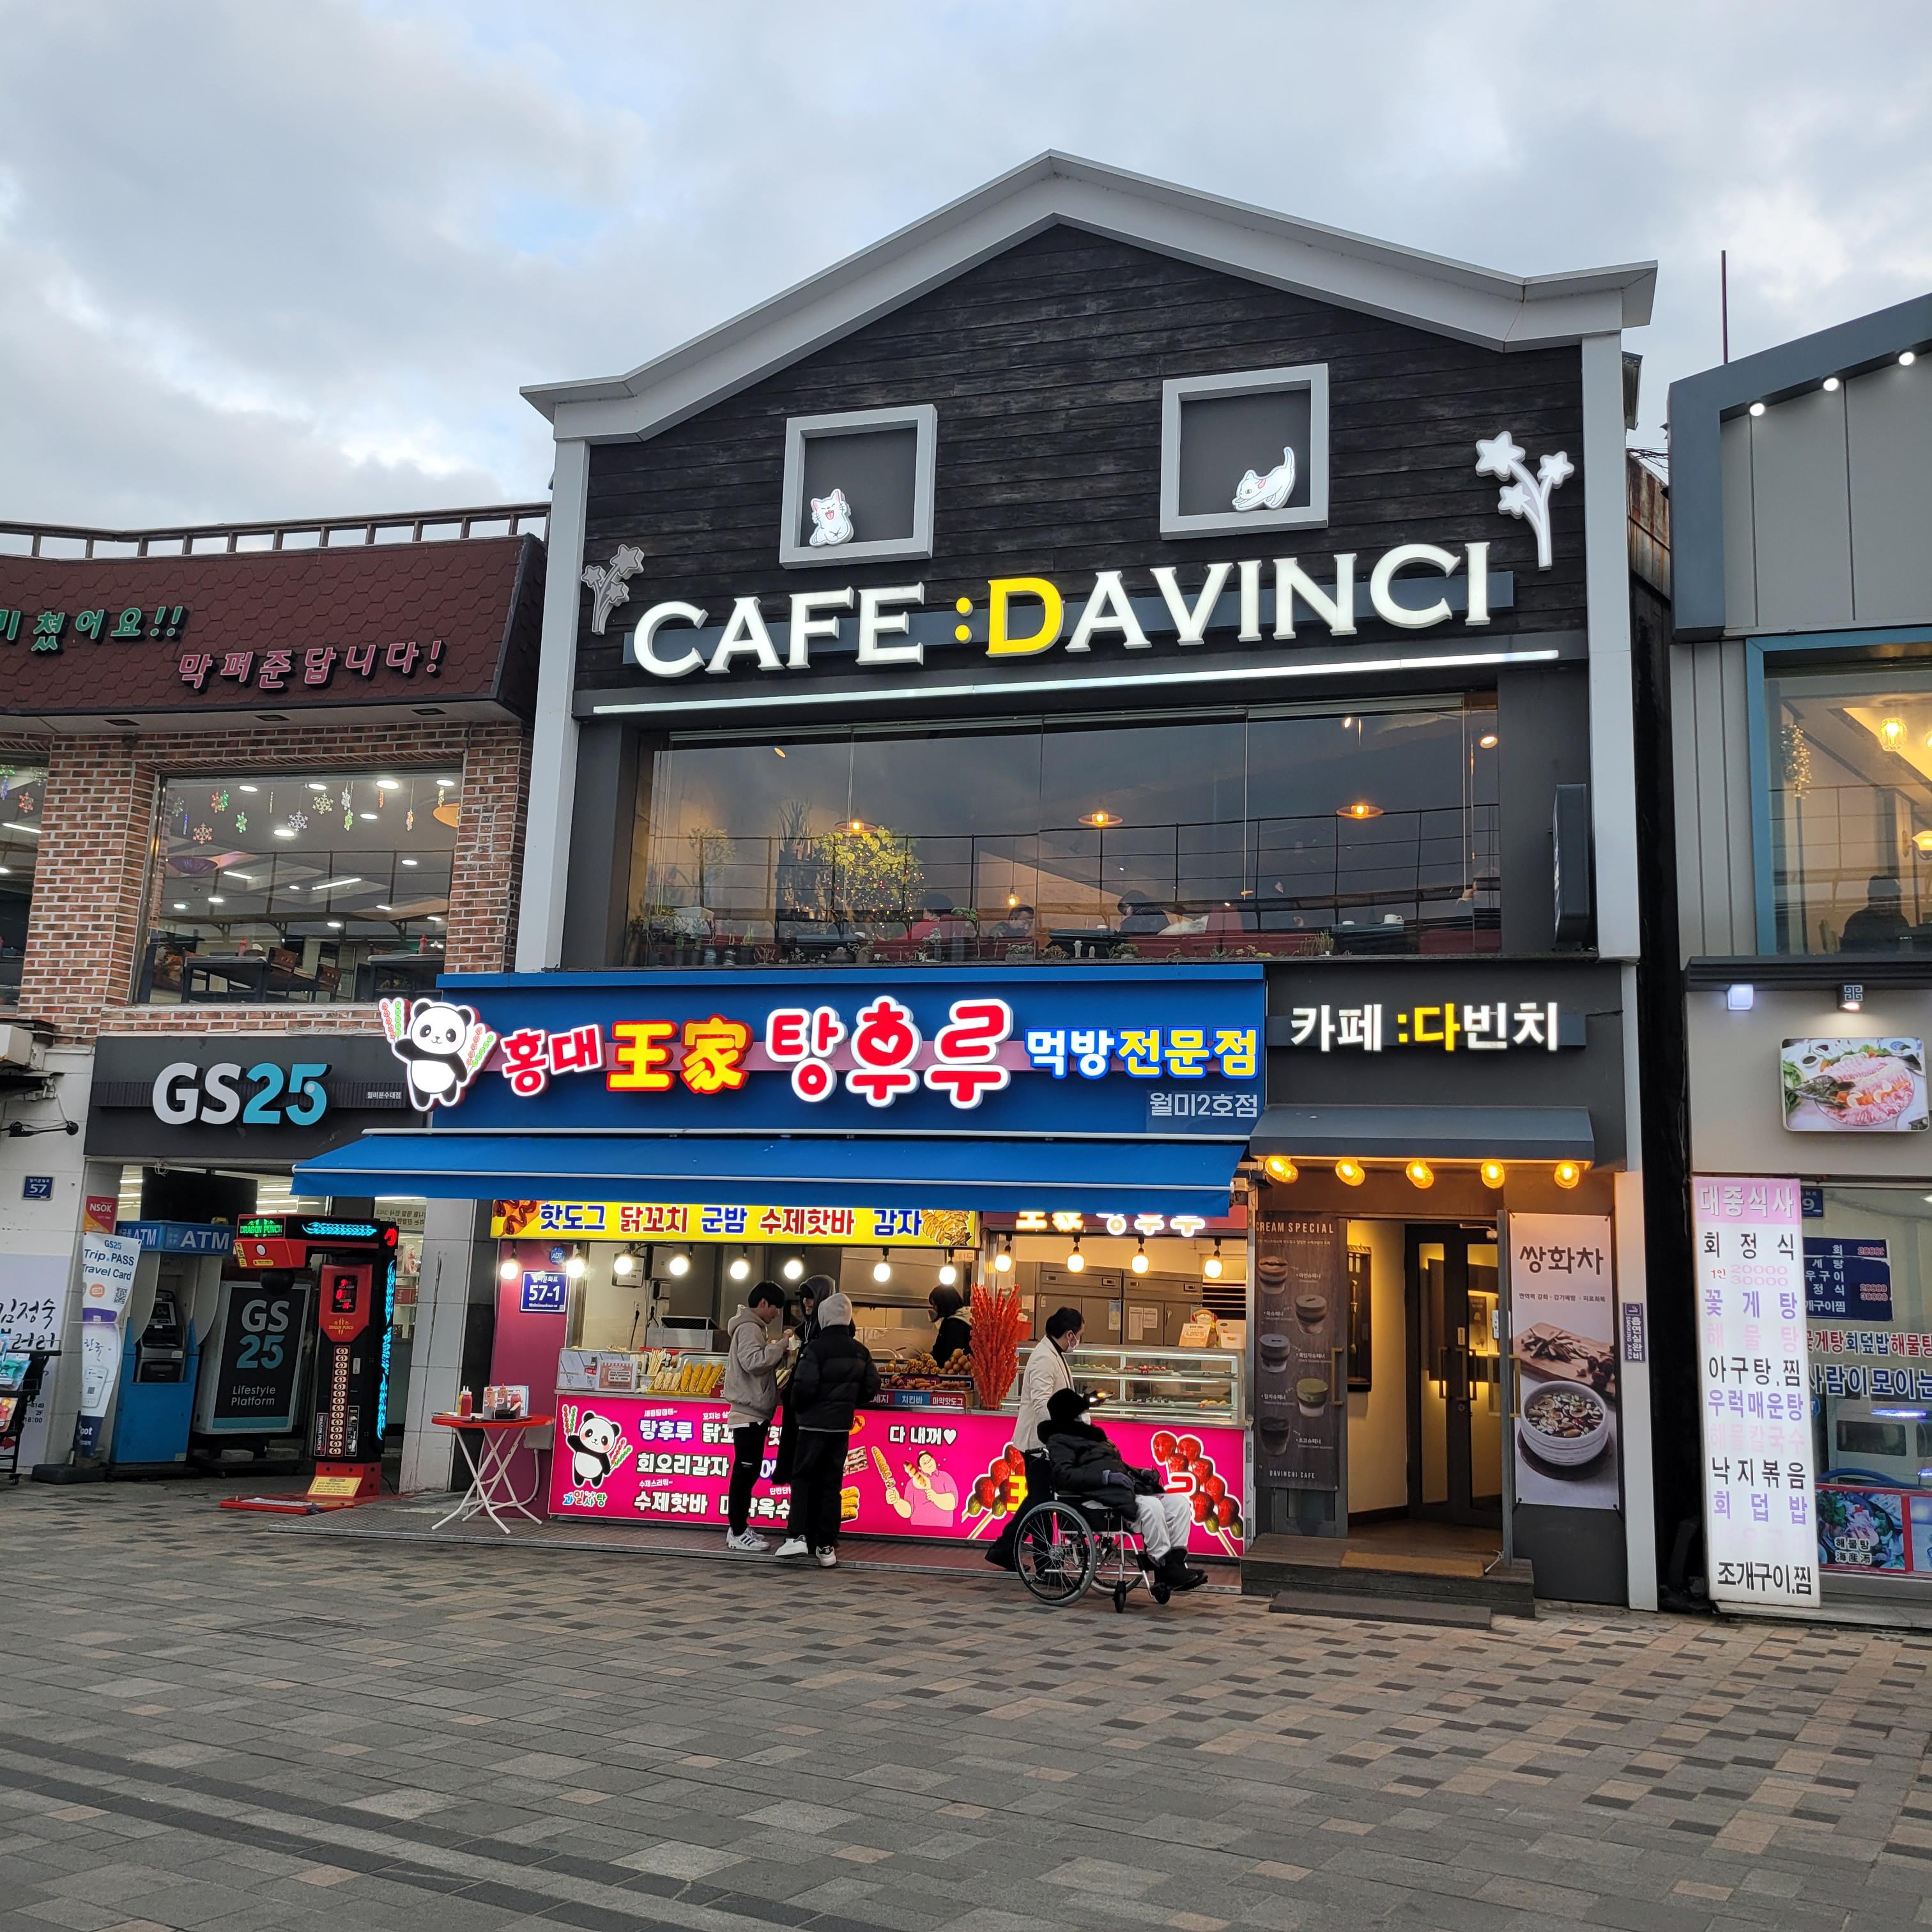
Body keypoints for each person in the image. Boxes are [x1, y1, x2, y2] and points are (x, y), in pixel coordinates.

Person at [1041, 1388, 1206, 1598]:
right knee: (1151, 1507)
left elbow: (1117, 1465)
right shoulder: (1059, 1440)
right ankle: (1161, 1563)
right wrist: (1105, 1477)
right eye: (1080, 1413)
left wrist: (1140, 1473)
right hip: (1093, 1498)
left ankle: (1175, 1564)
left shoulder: (1094, 1437)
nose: (1085, 1417)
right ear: (1071, 1416)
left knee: (1179, 1504)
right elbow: (1065, 1475)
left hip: (1118, 1493)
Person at [775, 1291, 879, 1568]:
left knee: (803, 1478)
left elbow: (803, 1388)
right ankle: (826, 1546)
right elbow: (871, 1387)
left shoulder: (815, 1349)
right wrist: (847, 1404)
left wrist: (801, 1410)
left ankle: (797, 1536)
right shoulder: (861, 1351)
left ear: (823, 1317)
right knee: (832, 1484)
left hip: (811, 1426)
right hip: (840, 1429)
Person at [986, 1305, 1085, 1570]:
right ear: (1069, 1335)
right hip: (1039, 1444)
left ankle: (1031, 1558)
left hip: (1044, 1443)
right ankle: (1012, 1551)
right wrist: (1060, 1436)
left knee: (1041, 1501)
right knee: (1040, 1501)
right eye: (1079, 1335)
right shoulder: (1044, 1358)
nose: (1078, 1341)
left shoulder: (1052, 1353)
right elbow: (1043, 1405)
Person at [721, 1281, 793, 1552]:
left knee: (747, 1472)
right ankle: (738, 1531)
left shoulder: (752, 1327)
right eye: (775, 1308)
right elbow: (754, 1362)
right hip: (748, 1413)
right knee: (745, 1472)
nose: (777, 1313)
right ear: (763, 1303)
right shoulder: (750, 1328)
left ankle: (739, 1527)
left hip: (753, 1413)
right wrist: (782, 1345)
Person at [771, 1273, 829, 1489]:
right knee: (801, 1473)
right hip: (803, 1413)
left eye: (811, 1297)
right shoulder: (806, 1329)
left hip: (812, 1416)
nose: (806, 1302)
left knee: (807, 1475)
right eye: (803, 1297)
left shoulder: (825, 1332)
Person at [1841, 875, 1910, 952]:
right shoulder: (1857, 921)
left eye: (1891, 901)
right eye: (1882, 901)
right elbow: (1849, 952)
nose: (1886, 905)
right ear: (1871, 900)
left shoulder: (1900, 921)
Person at [928, 1285, 971, 1366]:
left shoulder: (953, 1325)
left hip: (951, 1371)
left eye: (935, 1305)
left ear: (943, 1303)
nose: (934, 1308)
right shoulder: (967, 1317)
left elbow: (947, 1353)